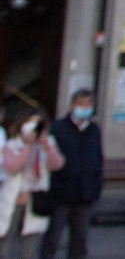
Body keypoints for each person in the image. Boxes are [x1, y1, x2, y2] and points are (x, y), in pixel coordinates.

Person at [40, 89, 101, 259]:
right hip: (61, 193)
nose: (85, 108)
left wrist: (95, 187)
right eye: (81, 105)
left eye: (88, 105)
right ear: (71, 106)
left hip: (85, 194)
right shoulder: (58, 128)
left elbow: (97, 159)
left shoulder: (94, 129)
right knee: (53, 238)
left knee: (79, 241)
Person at [2, 110, 63, 259]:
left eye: (37, 124)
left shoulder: (48, 143)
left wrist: (47, 146)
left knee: (30, 246)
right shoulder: (11, 145)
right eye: (30, 123)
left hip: (36, 201)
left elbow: (57, 165)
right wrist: (28, 147)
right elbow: (12, 167)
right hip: (12, 200)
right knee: (5, 243)